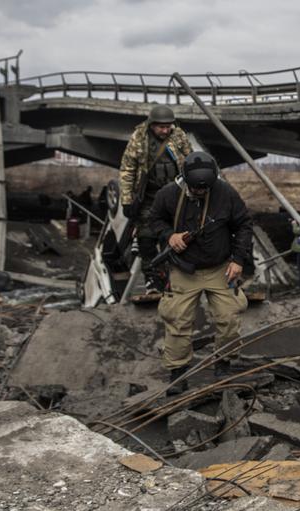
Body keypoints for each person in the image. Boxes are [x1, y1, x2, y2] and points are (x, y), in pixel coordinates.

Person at [151, 151, 253, 382]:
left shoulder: (225, 193)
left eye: (204, 189)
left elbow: (244, 224)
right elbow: (155, 219)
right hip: (183, 269)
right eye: (195, 189)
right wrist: (169, 236)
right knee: (177, 320)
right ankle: (178, 372)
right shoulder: (167, 194)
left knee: (229, 317)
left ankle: (223, 365)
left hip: (220, 267)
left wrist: (238, 260)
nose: (199, 192)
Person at [119, 104, 193, 293]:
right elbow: (128, 169)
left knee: (173, 238)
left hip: (174, 197)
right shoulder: (139, 138)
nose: (165, 130)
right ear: (152, 125)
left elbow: (191, 159)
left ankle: (173, 280)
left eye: (168, 126)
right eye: (161, 126)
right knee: (146, 239)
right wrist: (127, 200)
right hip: (148, 198)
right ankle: (153, 280)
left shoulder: (178, 136)